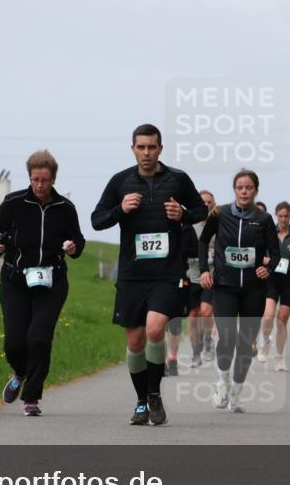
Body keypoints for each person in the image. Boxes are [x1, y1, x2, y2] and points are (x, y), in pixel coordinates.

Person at [91, 123, 207, 426]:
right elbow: (97, 220)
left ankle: (154, 393)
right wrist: (120, 210)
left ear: (160, 149)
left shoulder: (178, 179)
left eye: (151, 147)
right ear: (132, 149)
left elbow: (201, 210)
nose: (146, 152)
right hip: (131, 274)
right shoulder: (120, 182)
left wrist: (184, 214)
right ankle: (142, 401)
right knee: (135, 341)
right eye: (140, 147)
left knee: (155, 329)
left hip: (166, 273)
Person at [0, 150, 86, 416]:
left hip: (51, 281)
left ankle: (31, 398)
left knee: (39, 339)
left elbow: (79, 241)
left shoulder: (65, 208)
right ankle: (20, 373)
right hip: (15, 281)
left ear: (53, 179)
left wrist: (73, 247)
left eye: (45, 180)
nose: (40, 185)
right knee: (15, 344)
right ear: (30, 177)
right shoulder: (14, 201)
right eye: (35, 179)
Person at [199, 169, 280, 413]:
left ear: (256, 190)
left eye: (248, 187)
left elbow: (275, 253)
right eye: (239, 187)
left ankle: (236, 392)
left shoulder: (264, 219)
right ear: (234, 190)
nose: (244, 191)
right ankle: (222, 383)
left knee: (245, 343)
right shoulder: (220, 213)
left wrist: (269, 269)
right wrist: (204, 270)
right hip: (225, 285)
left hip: (254, 289)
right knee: (227, 337)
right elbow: (203, 241)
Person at [258, 202, 290, 371]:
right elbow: (260, 252)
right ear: (276, 215)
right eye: (280, 216)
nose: (283, 219)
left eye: (286, 216)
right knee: (268, 316)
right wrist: (264, 259)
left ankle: (279, 357)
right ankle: (265, 341)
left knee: (281, 320)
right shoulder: (269, 232)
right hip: (272, 278)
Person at [165, 221, 200, 375]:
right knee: (158, 321)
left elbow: (196, 250)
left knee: (174, 320)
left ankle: (172, 358)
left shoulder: (187, 227)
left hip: (179, 276)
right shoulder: (156, 221)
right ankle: (158, 359)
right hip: (156, 276)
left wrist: (181, 250)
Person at [196, 190, 217, 362]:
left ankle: (208, 340)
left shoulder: (220, 225)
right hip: (192, 274)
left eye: (209, 202)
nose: (206, 205)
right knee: (194, 315)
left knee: (206, 310)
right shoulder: (190, 225)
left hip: (214, 274)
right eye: (203, 202)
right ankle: (197, 348)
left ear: (214, 205)